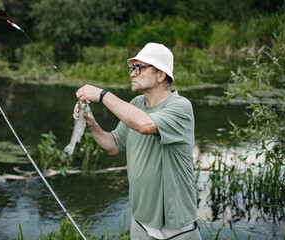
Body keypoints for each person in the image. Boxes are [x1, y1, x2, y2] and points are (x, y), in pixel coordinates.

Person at [74, 43, 201, 240]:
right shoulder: (136, 104)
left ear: (160, 75)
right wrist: (91, 124)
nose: (132, 74)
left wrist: (102, 95)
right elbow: (112, 146)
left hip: (177, 227)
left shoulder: (181, 107)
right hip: (141, 222)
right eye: (131, 68)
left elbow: (145, 125)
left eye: (139, 68)